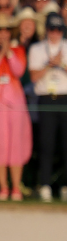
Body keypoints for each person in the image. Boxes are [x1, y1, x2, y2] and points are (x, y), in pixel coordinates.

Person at [27, 13, 67, 203]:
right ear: (47, 29)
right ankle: (44, 186)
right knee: (46, 144)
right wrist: (50, 64)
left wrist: (62, 63)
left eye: (59, 29)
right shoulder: (36, 49)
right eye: (52, 29)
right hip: (46, 99)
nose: (55, 33)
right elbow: (34, 76)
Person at [0, 17, 31, 201]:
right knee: (1, 145)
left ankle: (16, 187)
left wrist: (8, 53)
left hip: (15, 104)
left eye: (5, 30)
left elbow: (19, 70)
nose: (3, 33)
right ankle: (3, 187)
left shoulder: (18, 50)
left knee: (16, 145)